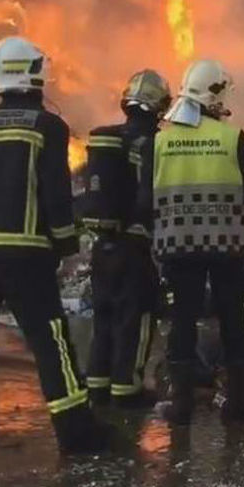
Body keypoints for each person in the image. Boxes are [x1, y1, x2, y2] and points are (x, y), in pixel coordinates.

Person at [0, 36, 108, 453]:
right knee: (50, 340)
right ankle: (76, 431)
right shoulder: (47, 126)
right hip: (25, 254)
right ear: (36, 73)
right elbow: (54, 191)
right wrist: (66, 243)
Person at [137, 59, 244, 425]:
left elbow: (142, 202)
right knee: (233, 318)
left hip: (179, 250)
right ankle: (237, 407)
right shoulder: (232, 139)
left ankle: (180, 405)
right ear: (213, 95)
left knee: (182, 320)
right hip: (227, 248)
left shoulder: (160, 143)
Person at [82, 70, 172, 408]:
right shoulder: (154, 144)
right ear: (161, 105)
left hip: (102, 247)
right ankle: (127, 390)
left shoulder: (110, 141)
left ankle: (97, 387)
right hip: (135, 250)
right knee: (135, 319)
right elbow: (154, 197)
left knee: (104, 316)